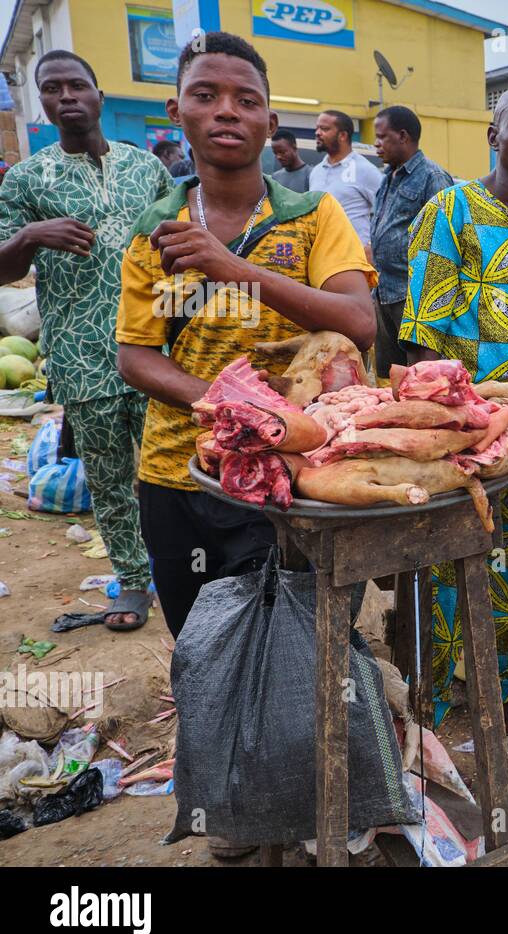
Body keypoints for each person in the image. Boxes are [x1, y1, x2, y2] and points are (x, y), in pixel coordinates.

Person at [115, 32, 376, 640]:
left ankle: (290, 737)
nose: (227, 110)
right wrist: (231, 406)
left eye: (247, 99)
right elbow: (135, 355)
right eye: (205, 95)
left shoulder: (313, 217)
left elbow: (358, 323)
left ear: (270, 120)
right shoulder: (155, 229)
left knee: (291, 641)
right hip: (177, 471)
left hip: (290, 471)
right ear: (176, 112)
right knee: (200, 640)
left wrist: (234, 270)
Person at [401, 83, 508, 740]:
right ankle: (435, 711)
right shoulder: (452, 212)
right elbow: (421, 337)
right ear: (492, 136)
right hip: (461, 435)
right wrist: (439, 429)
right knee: (451, 569)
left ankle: (498, 698)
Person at [0, 50, 175, 631]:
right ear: (43, 103)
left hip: (154, 347)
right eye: (53, 89)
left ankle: (179, 564)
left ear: (99, 95)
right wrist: (30, 235)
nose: (66, 96)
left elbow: (177, 240)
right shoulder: (27, 178)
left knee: (169, 463)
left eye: (78, 85)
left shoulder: (145, 167)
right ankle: (131, 580)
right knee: (106, 472)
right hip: (81, 351)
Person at [369, 104, 452, 378]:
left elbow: (444, 241)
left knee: (418, 376)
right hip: (385, 291)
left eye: (382, 137)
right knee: (387, 374)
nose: (376, 144)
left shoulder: (432, 177)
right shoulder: (388, 177)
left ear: (403, 136)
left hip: (412, 295)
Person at [310, 109, 383, 255]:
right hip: (321, 256)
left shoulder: (365, 170)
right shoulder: (316, 171)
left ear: (343, 135)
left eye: (324, 129)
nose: (317, 132)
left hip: (354, 258)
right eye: (317, 128)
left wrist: (369, 247)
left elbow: (386, 213)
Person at [269, 128, 312, 192]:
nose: (278, 157)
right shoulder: (275, 177)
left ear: (294, 147)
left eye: (282, 152)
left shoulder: (310, 175)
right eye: (275, 153)